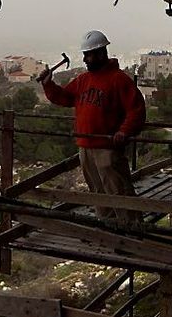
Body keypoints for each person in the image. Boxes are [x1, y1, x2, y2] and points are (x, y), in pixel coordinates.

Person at [38, 30, 146, 223]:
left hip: (107, 147)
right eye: (85, 55)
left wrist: (124, 131)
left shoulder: (119, 79)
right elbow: (65, 97)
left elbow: (136, 110)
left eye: (89, 55)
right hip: (86, 147)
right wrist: (49, 85)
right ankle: (109, 228)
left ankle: (133, 230)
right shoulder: (83, 80)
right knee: (98, 193)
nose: (86, 59)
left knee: (118, 191)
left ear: (102, 53)